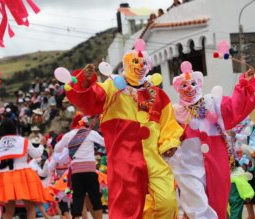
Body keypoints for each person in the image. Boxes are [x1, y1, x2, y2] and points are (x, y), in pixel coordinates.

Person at [65, 39, 183, 218]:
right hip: (124, 160)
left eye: (144, 62)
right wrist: (85, 83)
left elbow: (169, 123)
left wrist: (169, 142)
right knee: (127, 209)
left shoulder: (158, 94)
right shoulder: (113, 87)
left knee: (167, 202)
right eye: (135, 62)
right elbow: (92, 101)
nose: (140, 66)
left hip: (154, 158)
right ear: (127, 63)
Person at [169, 61, 255, 219]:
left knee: (217, 207)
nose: (189, 88)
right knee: (196, 207)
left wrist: (243, 84)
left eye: (192, 83)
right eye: (184, 85)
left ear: (199, 84)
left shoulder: (212, 104)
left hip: (217, 164)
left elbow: (235, 108)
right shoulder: (174, 113)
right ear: (178, 89)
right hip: (188, 168)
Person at [54, 113, 105, 219]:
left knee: (77, 199)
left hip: (76, 172)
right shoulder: (90, 133)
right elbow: (105, 143)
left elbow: (57, 149)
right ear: (85, 123)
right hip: (90, 170)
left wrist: (70, 146)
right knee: (95, 198)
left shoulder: (68, 135)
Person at [0, 119, 51, 219]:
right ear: (15, 129)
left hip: (4, 176)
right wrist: (42, 145)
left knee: (8, 211)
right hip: (22, 175)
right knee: (30, 207)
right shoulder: (23, 141)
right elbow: (36, 154)